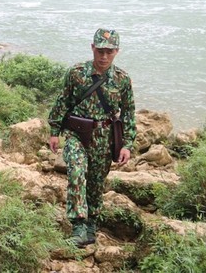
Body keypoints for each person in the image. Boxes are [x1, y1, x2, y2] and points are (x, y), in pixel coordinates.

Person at [47, 29, 136, 248]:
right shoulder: (77, 73)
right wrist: (54, 131)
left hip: (105, 139)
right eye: (100, 51)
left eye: (109, 51)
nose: (104, 56)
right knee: (77, 172)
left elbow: (128, 114)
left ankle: (91, 225)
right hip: (77, 133)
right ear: (92, 48)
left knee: (96, 183)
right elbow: (63, 101)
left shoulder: (122, 80)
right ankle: (78, 225)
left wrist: (127, 144)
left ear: (117, 51)